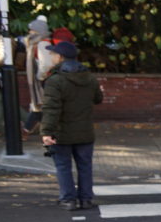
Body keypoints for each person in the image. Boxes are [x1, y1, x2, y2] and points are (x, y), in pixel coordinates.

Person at [39, 42, 103, 210]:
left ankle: (68, 200)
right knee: (85, 166)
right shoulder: (89, 78)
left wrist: (47, 132)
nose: (51, 57)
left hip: (62, 132)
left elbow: (51, 109)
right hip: (85, 132)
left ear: (60, 57)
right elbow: (98, 99)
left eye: (53, 54)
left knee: (63, 166)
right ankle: (86, 199)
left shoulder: (55, 80)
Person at [23, 16, 54, 135]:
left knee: (40, 106)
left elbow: (46, 64)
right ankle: (30, 130)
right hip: (43, 80)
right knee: (40, 106)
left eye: (32, 30)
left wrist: (40, 76)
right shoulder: (38, 43)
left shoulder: (41, 44)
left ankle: (26, 130)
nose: (29, 32)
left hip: (43, 80)